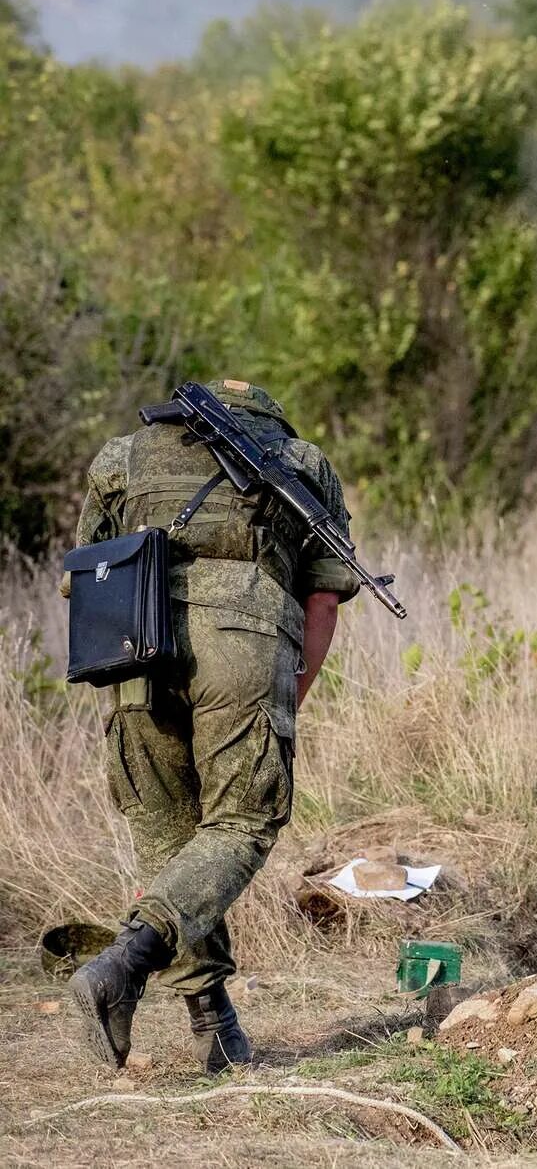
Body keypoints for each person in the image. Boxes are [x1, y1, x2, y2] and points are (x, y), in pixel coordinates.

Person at [66, 378, 360, 1072]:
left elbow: (82, 577)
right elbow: (323, 600)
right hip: (244, 642)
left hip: (133, 648)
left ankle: (214, 1025)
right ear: (268, 416)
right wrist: (295, 691)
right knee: (243, 821)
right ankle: (123, 965)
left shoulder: (122, 456)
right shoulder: (303, 462)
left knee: (168, 831)